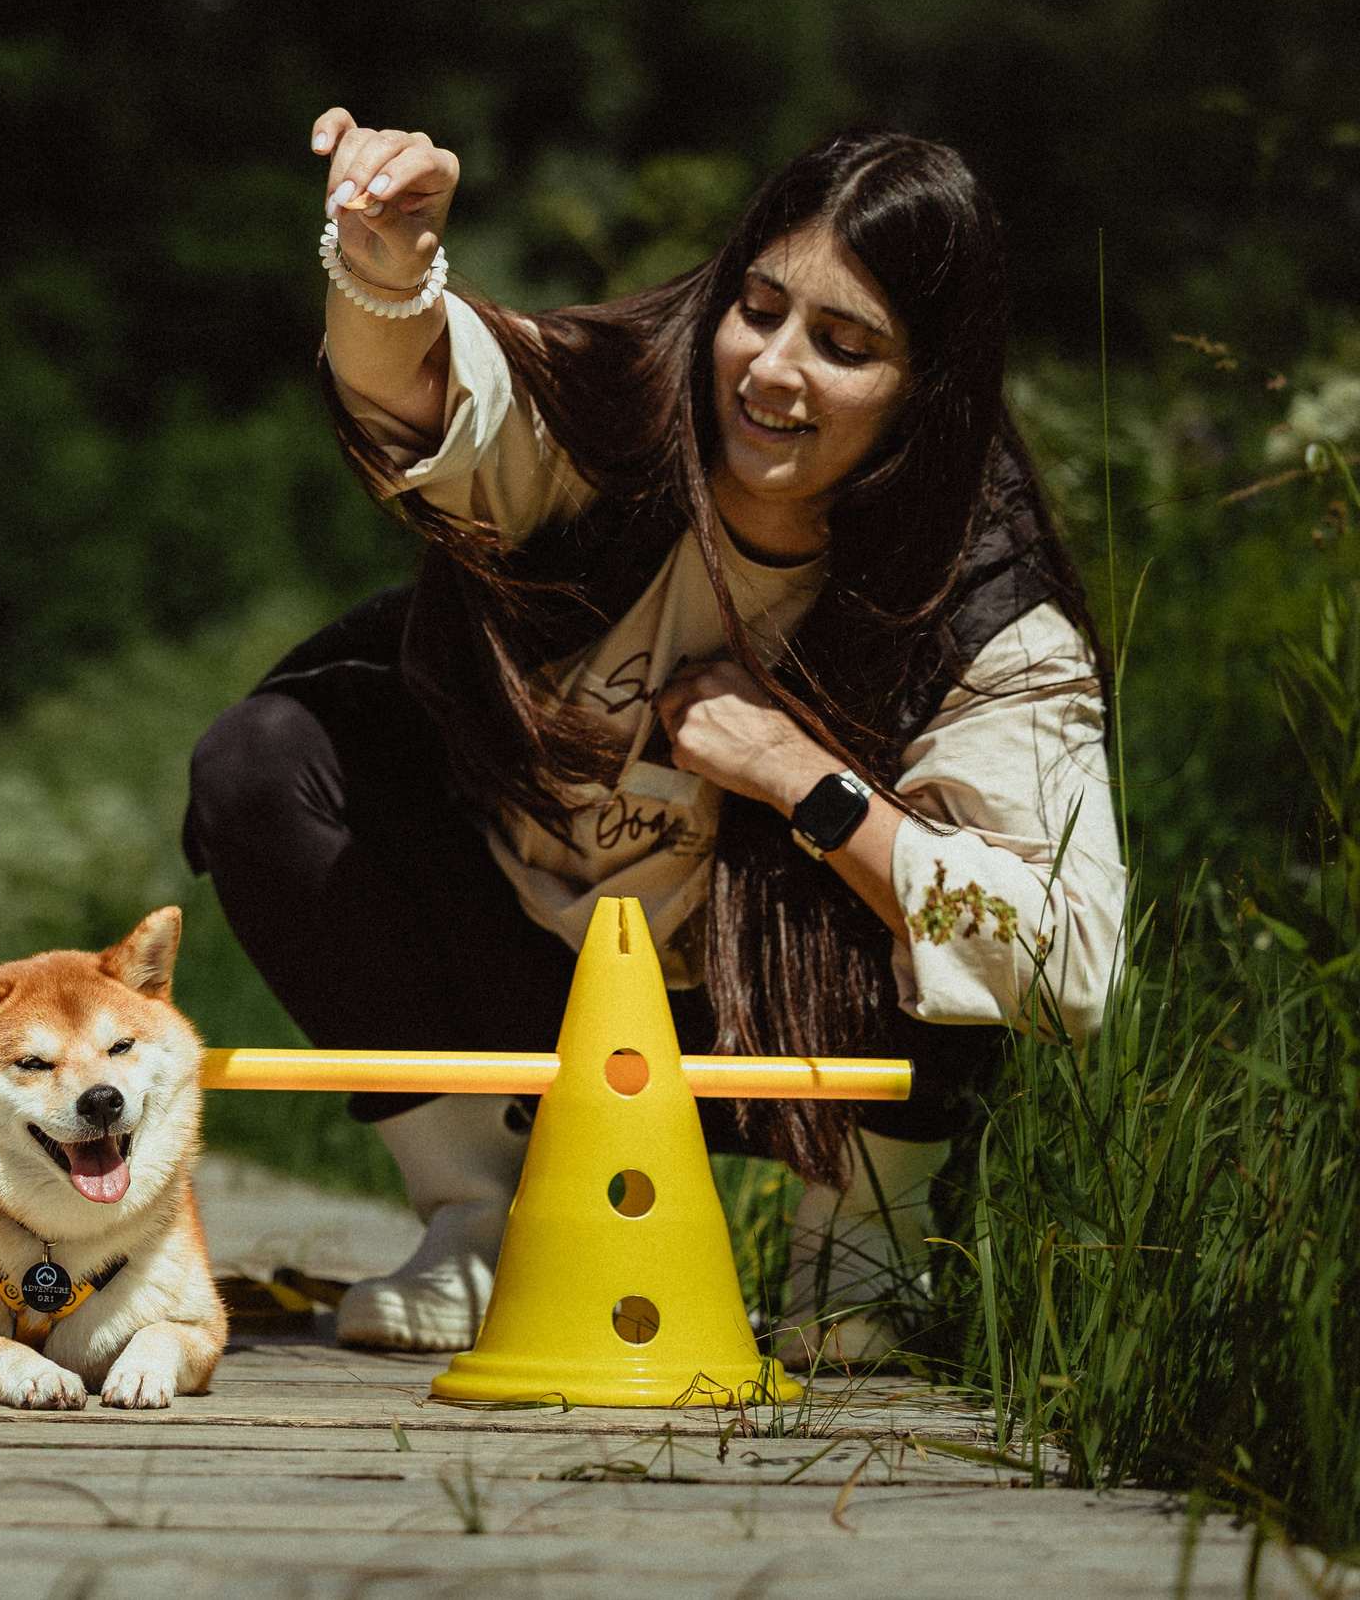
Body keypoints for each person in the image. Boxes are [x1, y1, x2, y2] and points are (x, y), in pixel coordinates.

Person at [182, 113, 1125, 1361]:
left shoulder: (991, 609)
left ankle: (859, 1253)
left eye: (844, 346)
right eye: (760, 307)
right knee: (260, 758)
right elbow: (424, 392)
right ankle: (479, 1215)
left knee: (944, 888)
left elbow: (1068, 964)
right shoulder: (620, 417)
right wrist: (385, 268)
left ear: (922, 394)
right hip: (518, 980)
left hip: (770, 1029)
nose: (773, 371)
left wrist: (809, 783)